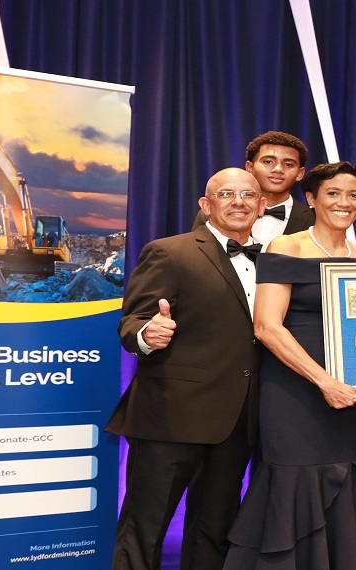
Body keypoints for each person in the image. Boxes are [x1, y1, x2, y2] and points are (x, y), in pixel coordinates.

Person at [224, 162, 356, 569]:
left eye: (353, 195)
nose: (344, 202)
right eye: (333, 193)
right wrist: (324, 382)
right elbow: (267, 327)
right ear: (312, 198)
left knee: (354, 483)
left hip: (354, 399)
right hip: (296, 394)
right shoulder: (287, 247)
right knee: (293, 480)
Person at [107, 167, 266, 569]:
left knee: (215, 529)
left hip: (238, 420)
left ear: (261, 205)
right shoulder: (170, 251)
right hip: (171, 415)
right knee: (146, 526)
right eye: (226, 193)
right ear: (205, 204)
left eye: (248, 195)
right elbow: (132, 322)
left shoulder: (275, 262)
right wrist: (148, 333)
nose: (238, 201)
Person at [194, 131, 315, 245]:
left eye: (288, 164)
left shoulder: (315, 218)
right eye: (268, 162)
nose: (278, 169)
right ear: (249, 167)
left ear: (300, 173)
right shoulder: (212, 212)